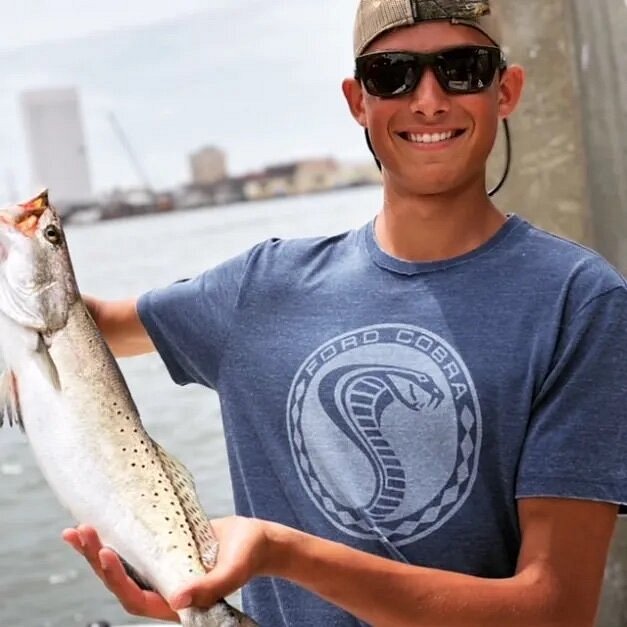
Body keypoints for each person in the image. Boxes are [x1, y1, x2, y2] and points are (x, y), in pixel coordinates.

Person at [63, 1, 627, 626]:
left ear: (507, 89)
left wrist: (284, 553)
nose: (430, 100)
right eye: (394, 75)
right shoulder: (262, 286)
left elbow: (554, 609)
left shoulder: (578, 300)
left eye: (463, 69)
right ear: (358, 100)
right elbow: (74, 325)